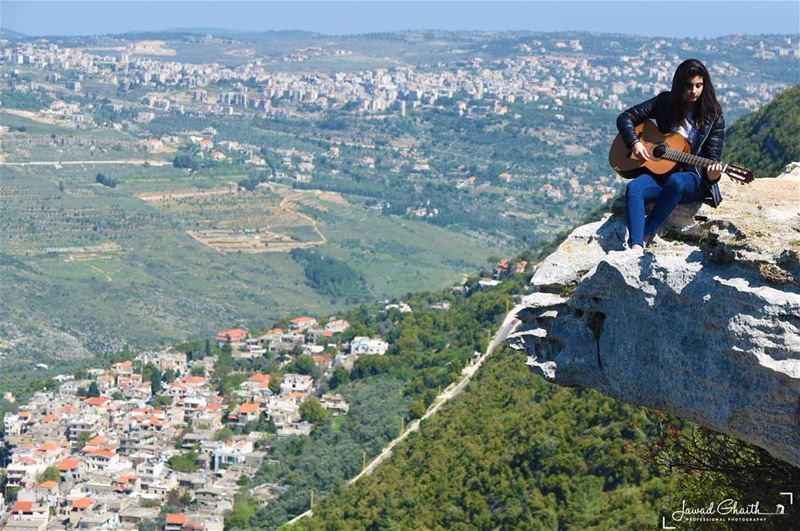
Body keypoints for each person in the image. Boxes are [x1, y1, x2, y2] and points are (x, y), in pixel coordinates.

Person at [616, 58, 725, 251]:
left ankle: (647, 233)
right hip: (662, 172)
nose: (694, 91)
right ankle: (635, 246)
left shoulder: (713, 116)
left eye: (699, 85)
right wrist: (635, 143)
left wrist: (714, 174)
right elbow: (626, 117)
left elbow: (712, 159)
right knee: (635, 188)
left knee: (677, 181)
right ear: (679, 85)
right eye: (689, 86)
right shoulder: (665, 102)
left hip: (694, 178)